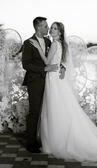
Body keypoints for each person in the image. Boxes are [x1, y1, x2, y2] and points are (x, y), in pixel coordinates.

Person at [30, 21, 97, 163]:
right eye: (51, 28)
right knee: (59, 109)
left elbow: (47, 63)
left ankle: (53, 142)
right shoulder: (63, 45)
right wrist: (59, 67)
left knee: (53, 109)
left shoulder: (55, 44)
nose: (51, 29)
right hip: (57, 79)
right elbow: (62, 64)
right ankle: (59, 138)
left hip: (53, 79)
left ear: (60, 32)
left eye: (55, 28)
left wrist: (38, 48)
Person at [22, 17, 62, 153]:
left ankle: (44, 139)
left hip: (50, 81)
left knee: (47, 110)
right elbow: (26, 64)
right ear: (38, 27)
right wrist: (44, 69)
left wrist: (61, 67)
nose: (48, 29)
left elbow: (54, 57)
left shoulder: (48, 41)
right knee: (35, 111)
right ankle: (31, 143)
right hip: (35, 81)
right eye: (45, 26)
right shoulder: (28, 43)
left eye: (48, 26)